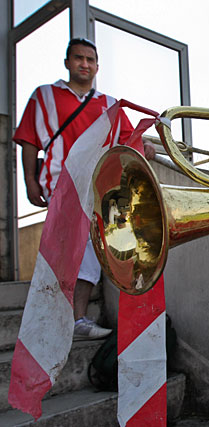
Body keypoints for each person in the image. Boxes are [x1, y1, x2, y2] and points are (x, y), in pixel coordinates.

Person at [13, 38, 156, 340]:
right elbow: (29, 141)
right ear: (67, 62)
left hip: (95, 191)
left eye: (91, 60)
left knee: (88, 253)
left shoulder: (108, 104)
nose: (85, 65)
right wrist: (29, 180)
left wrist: (147, 146)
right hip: (59, 187)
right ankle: (64, 320)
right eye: (79, 58)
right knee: (68, 254)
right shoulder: (44, 97)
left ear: (97, 66)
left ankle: (76, 319)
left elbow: (129, 139)